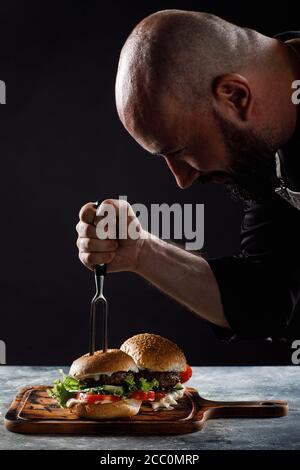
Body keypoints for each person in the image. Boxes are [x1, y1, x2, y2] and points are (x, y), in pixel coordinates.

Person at [76, 10, 300, 342]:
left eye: (179, 151)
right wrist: (142, 252)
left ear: (235, 98)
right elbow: (264, 301)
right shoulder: (270, 153)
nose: (183, 179)